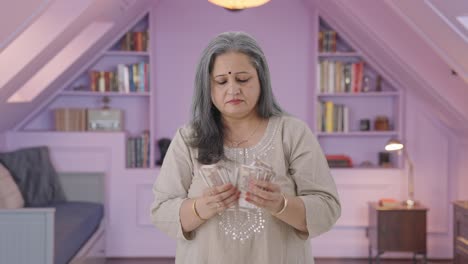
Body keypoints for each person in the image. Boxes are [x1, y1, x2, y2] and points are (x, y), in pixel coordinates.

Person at [150, 31, 341, 264]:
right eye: (221, 81)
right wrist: (201, 208)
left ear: (261, 80)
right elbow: (161, 211)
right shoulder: (189, 138)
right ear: (207, 88)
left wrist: (281, 204)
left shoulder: (292, 133)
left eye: (242, 79)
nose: (233, 89)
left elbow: (327, 207)